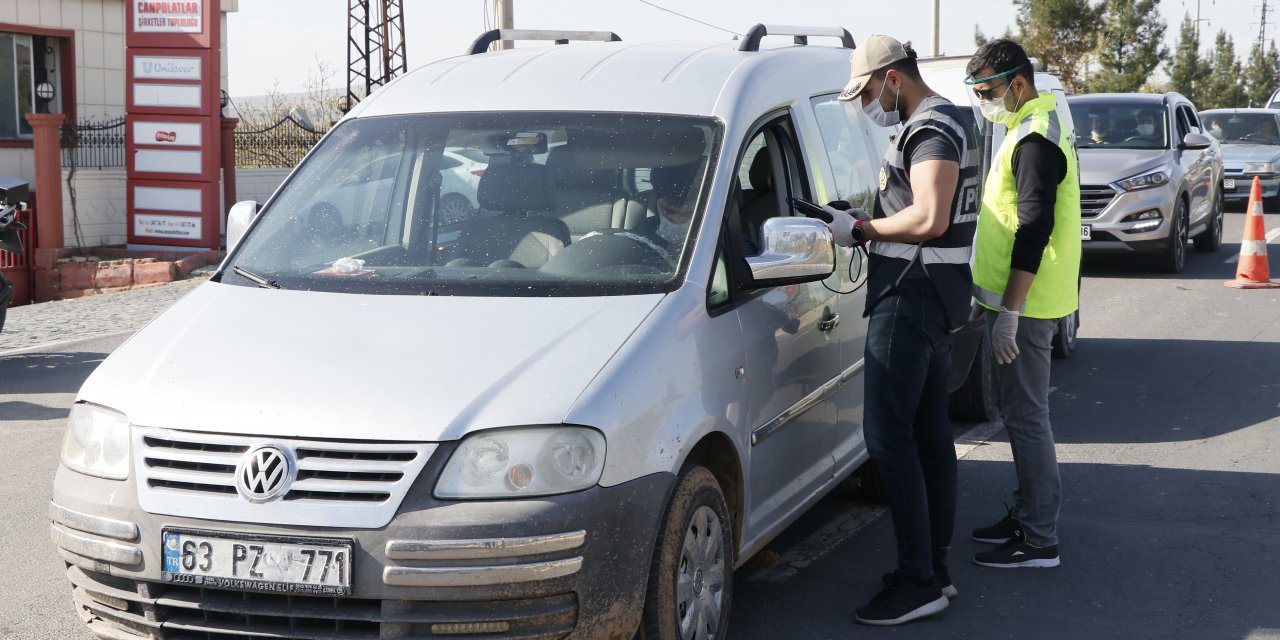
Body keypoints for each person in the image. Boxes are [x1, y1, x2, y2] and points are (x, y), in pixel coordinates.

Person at [824, 34, 980, 626]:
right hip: (934, 296)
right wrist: (866, 216)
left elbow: (930, 217)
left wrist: (862, 231)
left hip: (913, 296)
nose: (869, 103)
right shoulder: (945, 120)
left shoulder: (931, 126)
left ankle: (918, 581)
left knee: (890, 440)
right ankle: (931, 568)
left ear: (893, 78)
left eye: (868, 90)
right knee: (928, 437)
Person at [964, 38, 1081, 569]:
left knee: (1028, 417)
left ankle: (1039, 538)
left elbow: (1035, 227)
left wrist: (1009, 311)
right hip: (1021, 298)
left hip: (1027, 305)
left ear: (1017, 83)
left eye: (989, 90)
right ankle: (1027, 513)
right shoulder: (1033, 121)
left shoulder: (1036, 140)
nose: (986, 101)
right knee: (1019, 412)